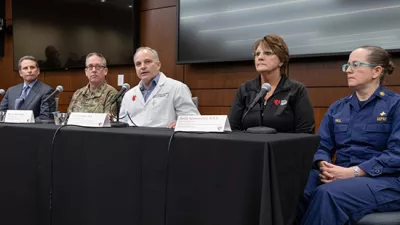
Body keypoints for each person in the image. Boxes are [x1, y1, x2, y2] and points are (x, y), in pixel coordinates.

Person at [297, 46, 400, 225]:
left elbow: (396, 154)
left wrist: (352, 172)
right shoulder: (338, 107)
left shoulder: (395, 106)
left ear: (376, 71)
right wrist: (324, 165)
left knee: (328, 194)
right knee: (294, 185)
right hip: (340, 173)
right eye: (347, 66)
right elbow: (322, 145)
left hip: (384, 181)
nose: (348, 70)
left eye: (356, 64)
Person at [228, 34, 315, 133]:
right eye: (257, 54)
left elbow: (306, 132)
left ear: (281, 60)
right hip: (249, 147)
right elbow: (232, 128)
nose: (260, 57)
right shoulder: (245, 90)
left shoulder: (296, 90)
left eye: (268, 53)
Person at [119, 47, 199, 128]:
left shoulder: (177, 88)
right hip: (133, 138)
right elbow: (122, 122)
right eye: (138, 64)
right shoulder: (129, 95)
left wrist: (181, 124)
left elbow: (192, 120)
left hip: (165, 138)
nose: (142, 67)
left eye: (147, 62)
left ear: (158, 65)